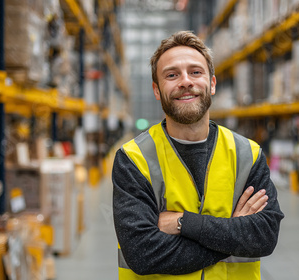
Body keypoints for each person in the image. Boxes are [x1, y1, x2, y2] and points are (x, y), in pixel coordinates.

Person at [112, 30, 284, 279]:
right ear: (157, 90)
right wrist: (232, 233)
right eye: (172, 75)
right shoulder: (133, 159)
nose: (185, 81)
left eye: (195, 72)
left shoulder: (248, 155)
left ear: (212, 83)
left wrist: (183, 222)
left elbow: (263, 237)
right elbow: (143, 253)